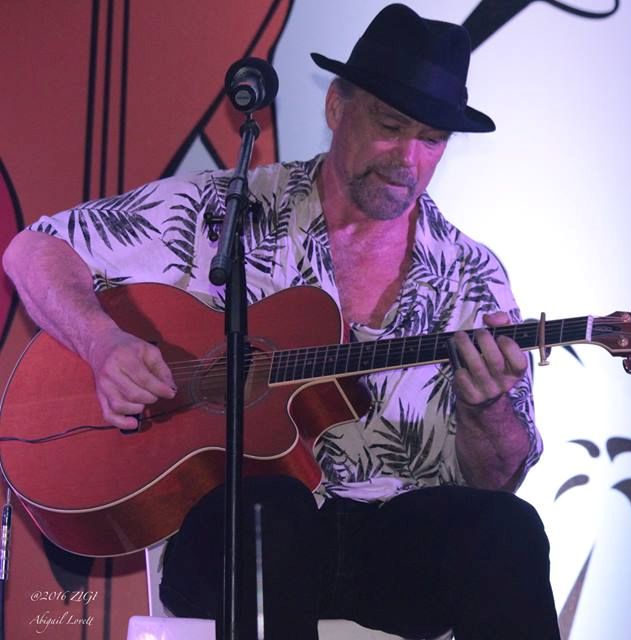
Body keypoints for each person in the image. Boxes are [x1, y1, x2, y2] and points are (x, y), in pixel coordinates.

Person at [2, 4, 561, 640]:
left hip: (390, 543)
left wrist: (487, 407)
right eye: (390, 126)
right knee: (276, 507)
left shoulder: (472, 275)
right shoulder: (225, 210)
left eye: (431, 140)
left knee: (508, 531)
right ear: (336, 108)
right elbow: (32, 250)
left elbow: (496, 481)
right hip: (237, 532)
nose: (407, 158)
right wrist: (103, 342)